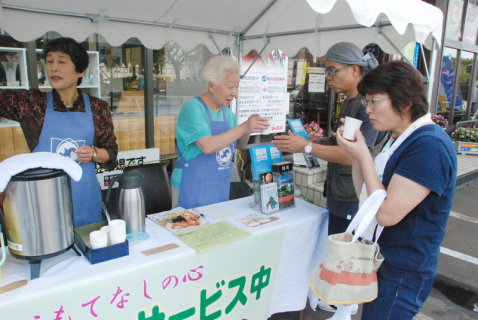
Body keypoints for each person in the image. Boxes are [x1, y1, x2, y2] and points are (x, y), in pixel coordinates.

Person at [336, 61, 457, 319]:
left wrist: (364, 158)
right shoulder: (398, 136)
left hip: (403, 268)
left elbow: (387, 215)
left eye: (374, 101)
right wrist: (357, 155)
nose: (368, 109)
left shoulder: (429, 145)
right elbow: (367, 198)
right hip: (384, 260)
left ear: (404, 102)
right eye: (366, 101)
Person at [274, 42, 385, 318]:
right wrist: (319, 140)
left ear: (355, 70)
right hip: (339, 189)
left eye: (333, 70)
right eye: (327, 71)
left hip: (352, 192)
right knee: (337, 247)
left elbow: (355, 155)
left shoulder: (364, 105)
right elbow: (345, 144)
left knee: (347, 252)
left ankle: (344, 308)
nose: (329, 77)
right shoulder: (350, 101)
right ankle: (336, 302)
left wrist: (307, 147)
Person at [0, 37, 118, 227]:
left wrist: (94, 153)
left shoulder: (98, 107)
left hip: (85, 199)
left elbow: (111, 152)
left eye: (62, 61)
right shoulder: (31, 103)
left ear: (80, 70)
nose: (53, 68)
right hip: (43, 200)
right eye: (49, 61)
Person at [171, 55, 269, 209]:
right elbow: (207, 146)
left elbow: (240, 145)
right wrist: (243, 127)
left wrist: (249, 128)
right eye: (230, 87)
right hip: (191, 186)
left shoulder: (228, 114)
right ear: (212, 85)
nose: (235, 93)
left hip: (220, 185)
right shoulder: (193, 108)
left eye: (237, 87)